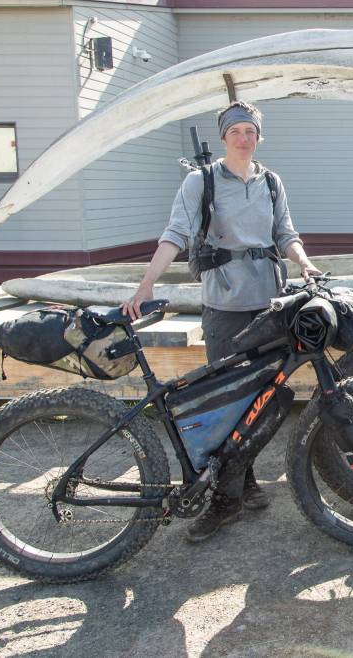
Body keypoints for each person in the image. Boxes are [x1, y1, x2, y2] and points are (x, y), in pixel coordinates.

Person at [121, 101, 321, 542]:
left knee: (263, 399)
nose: (244, 138)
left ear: (259, 137)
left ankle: (240, 482)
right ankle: (227, 496)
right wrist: (146, 285)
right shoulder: (201, 181)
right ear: (224, 136)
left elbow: (286, 232)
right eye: (236, 131)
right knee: (226, 403)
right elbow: (175, 233)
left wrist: (305, 265)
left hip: (269, 305)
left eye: (251, 131)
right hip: (225, 308)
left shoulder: (271, 182)